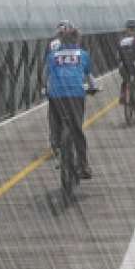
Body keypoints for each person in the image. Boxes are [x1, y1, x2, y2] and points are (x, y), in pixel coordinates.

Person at [45, 28, 96, 179]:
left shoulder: (52, 55)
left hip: (56, 94)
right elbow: (89, 76)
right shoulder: (83, 55)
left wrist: (45, 88)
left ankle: (58, 147)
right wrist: (93, 88)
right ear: (76, 41)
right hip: (75, 94)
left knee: (56, 122)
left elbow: (45, 75)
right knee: (76, 129)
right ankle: (83, 164)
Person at [118, 19, 135, 105]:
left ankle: (122, 95)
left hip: (123, 65)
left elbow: (118, 55)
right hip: (133, 64)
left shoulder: (122, 40)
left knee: (125, 80)